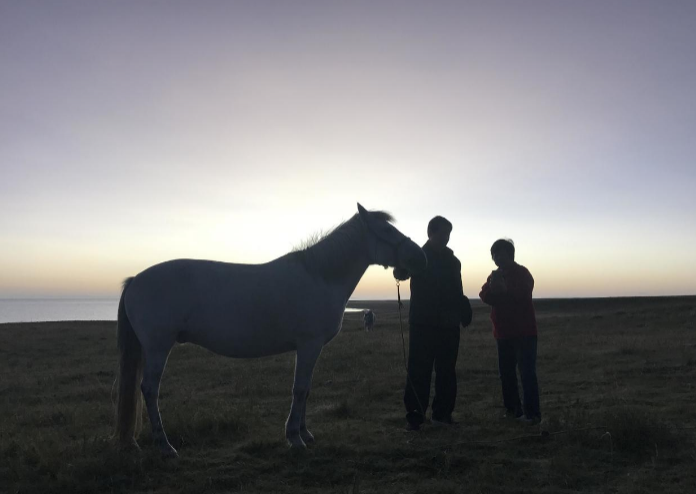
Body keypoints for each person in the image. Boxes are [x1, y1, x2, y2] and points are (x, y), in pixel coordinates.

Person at [394, 216, 473, 431]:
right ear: (430, 233)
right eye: (442, 233)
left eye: (448, 234)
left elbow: (457, 290)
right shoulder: (418, 257)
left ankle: (442, 415)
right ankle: (415, 417)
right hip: (423, 323)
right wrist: (400, 267)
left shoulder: (453, 261)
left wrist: (463, 309)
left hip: (449, 325)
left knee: (447, 371)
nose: (446, 238)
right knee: (419, 370)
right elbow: (400, 272)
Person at [479, 238, 541, 425]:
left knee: (526, 373)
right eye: (494, 254)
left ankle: (532, 415)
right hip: (503, 333)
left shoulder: (522, 273)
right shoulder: (494, 275)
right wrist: (495, 289)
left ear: (510, 255)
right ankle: (513, 410)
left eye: (500, 253)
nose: (497, 257)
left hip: (524, 333)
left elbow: (521, 295)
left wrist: (503, 290)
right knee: (506, 374)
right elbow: (484, 295)